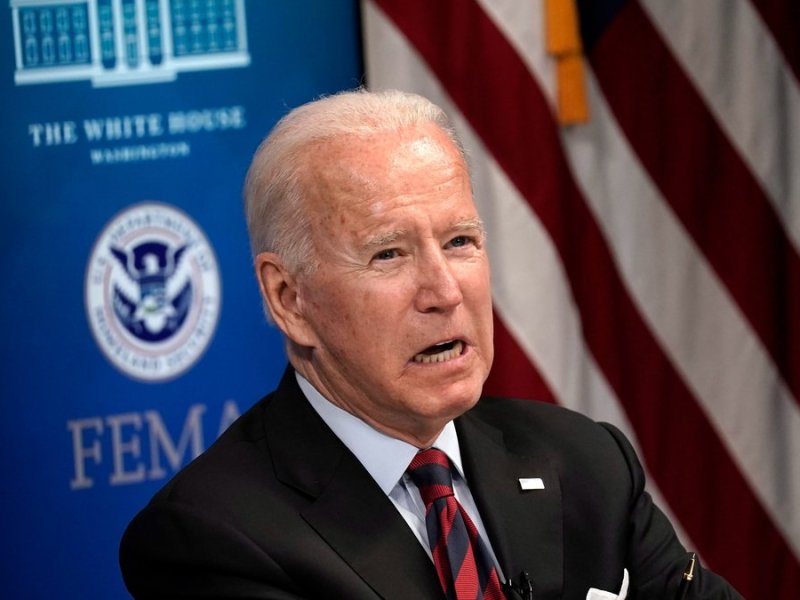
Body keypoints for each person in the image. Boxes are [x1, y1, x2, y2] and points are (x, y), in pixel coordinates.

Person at [119, 89, 742, 599]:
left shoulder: (586, 462)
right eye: (388, 254)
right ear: (290, 299)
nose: (443, 291)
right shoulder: (211, 539)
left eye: (460, 242)